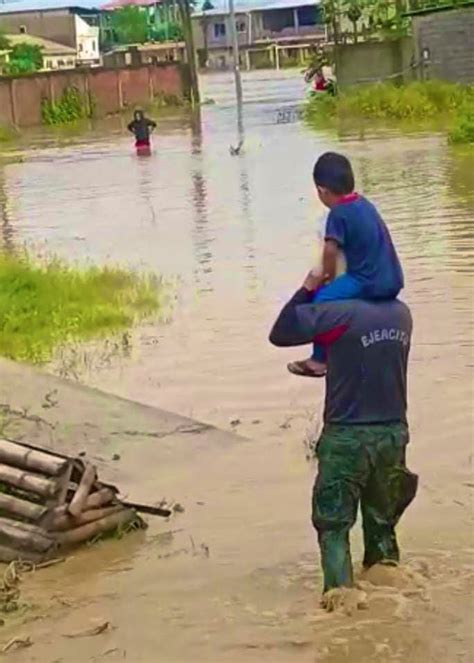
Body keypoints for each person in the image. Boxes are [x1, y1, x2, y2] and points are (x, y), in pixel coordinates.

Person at [269, 273, 418, 610]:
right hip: (393, 434)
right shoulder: (401, 314)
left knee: (333, 526)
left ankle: (340, 601)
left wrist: (308, 287)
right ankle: (390, 593)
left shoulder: (338, 315)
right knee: (382, 521)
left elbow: (281, 332)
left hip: (347, 436)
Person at [288, 152, 404, 378]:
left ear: (322, 191)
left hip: (367, 281)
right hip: (393, 278)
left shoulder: (338, 213)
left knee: (321, 301)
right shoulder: (365, 204)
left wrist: (327, 277)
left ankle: (319, 360)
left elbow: (330, 250)